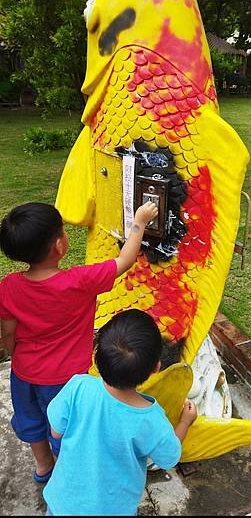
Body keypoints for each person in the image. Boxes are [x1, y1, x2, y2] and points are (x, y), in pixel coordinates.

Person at [0, 200, 158, 484]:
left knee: (31, 418)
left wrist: (18, 356)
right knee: (67, 426)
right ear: (59, 246)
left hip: (24, 374)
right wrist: (140, 221)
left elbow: (8, 332)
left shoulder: (9, 286)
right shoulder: (80, 281)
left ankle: (43, 465)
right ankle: (65, 470)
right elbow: (125, 261)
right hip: (65, 380)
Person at [43, 309, 197, 516]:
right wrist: (185, 422)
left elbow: (56, 433)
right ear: (156, 367)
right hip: (114, 509)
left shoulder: (78, 386)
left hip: (63, 503)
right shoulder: (150, 418)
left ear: (97, 355)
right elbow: (168, 457)